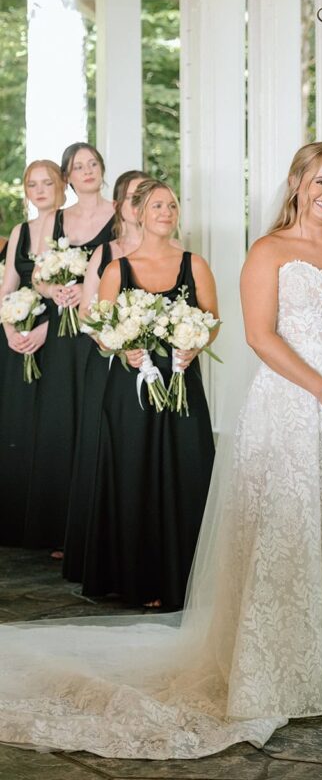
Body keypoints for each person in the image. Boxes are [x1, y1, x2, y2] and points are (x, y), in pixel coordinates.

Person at [0, 141, 322, 759]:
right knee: (293, 525)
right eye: (319, 183)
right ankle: (290, 663)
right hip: (296, 402)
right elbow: (258, 334)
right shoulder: (269, 250)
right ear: (297, 185)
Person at [81, 179, 215, 609]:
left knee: (186, 471)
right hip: (132, 389)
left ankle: (187, 579)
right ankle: (138, 579)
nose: (166, 211)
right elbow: (102, 334)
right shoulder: (116, 269)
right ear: (138, 213)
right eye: (157, 205)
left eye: (172, 205)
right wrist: (124, 347)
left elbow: (212, 321)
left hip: (181, 385)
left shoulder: (195, 264)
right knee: (134, 474)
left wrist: (194, 343)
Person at [62, 170, 151, 583]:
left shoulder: (177, 251)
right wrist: (119, 343)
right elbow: (88, 313)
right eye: (134, 197)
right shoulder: (106, 252)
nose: (143, 203)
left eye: (148, 195)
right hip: (112, 363)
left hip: (160, 367)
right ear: (120, 205)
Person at [28, 143, 114, 556]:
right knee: (65, 418)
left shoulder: (119, 213)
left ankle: (97, 527)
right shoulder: (57, 219)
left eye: (92, 164)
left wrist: (89, 288)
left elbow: (127, 263)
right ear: (69, 177)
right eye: (78, 167)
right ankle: (64, 530)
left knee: (97, 416)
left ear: (101, 169)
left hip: (99, 329)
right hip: (64, 331)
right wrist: (56, 288)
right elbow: (39, 274)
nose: (87, 171)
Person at [0, 161, 64, 545]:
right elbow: (8, 284)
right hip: (17, 333)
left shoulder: (72, 228)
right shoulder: (20, 231)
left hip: (57, 332)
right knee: (18, 421)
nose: (40, 190)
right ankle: (15, 523)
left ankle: (53, 526)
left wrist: (46, 330)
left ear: (62, 186)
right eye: (32, 184)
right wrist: (8, 328)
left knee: (52, 424)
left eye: (48, 182)